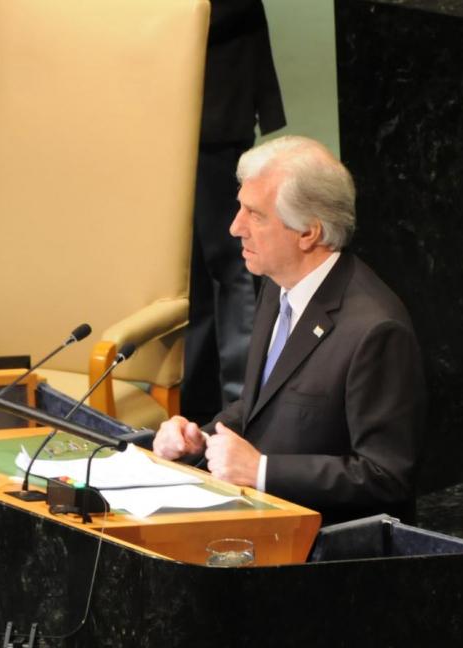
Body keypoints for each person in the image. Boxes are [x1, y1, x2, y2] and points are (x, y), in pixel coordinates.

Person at [156, 136, 425, 523]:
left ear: (308, 233)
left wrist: (261, 471)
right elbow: (263, 404)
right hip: (265, 520)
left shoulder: (375, 330)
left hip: (326, 552)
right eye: (240, 209)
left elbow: (387, 474)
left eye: (255, 214)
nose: (235, 228)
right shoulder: (278, 287)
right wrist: (199, 437)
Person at [182, 0, 287, 425]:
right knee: (193, 267)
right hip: (178, 106)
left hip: (215, 110)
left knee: (234, 256)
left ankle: (243, 403)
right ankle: (199, 394)